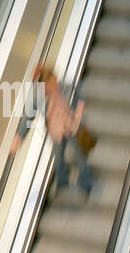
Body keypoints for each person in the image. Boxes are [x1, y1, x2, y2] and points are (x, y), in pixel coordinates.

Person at [11, 63, 94, 197]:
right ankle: (62, 182)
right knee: (59, 156)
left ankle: (86, 182)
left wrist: (78, 113)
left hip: (71, 126)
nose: (52, 88)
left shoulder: (64, 86)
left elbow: (80, 96)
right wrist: (19, 137)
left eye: (52, 83)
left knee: (78, 154)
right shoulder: (37, 97)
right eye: (47, 86)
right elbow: (28, 117)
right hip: (55, 131)